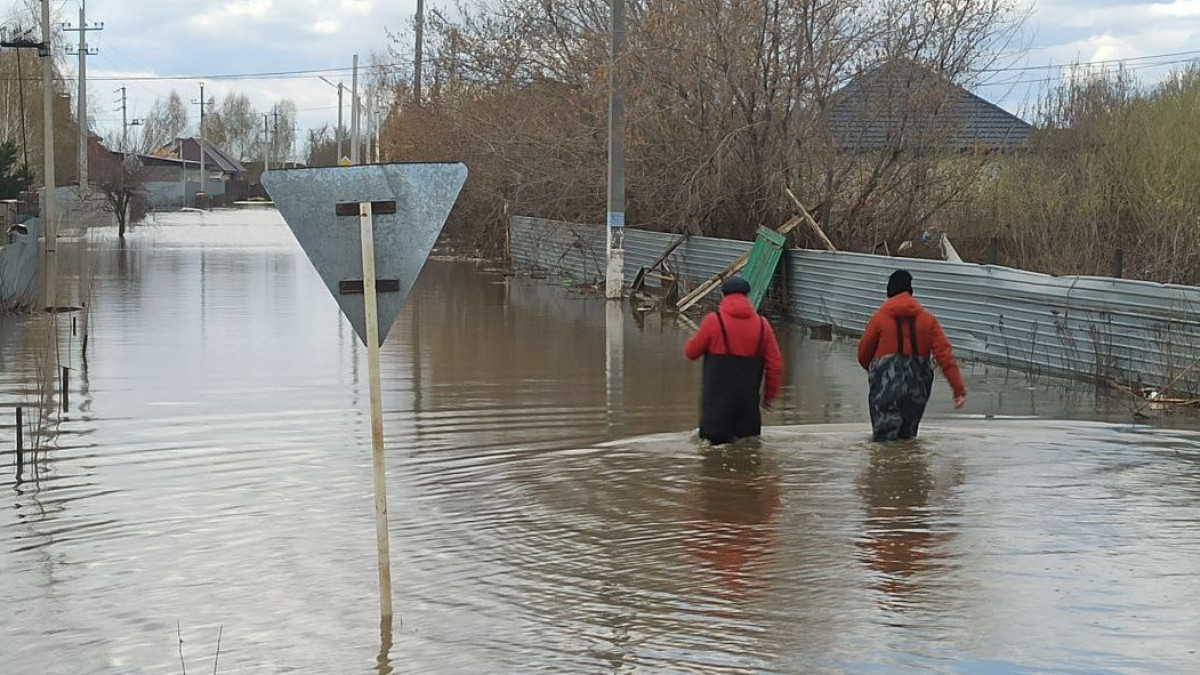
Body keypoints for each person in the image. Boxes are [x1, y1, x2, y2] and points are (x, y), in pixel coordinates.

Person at [857, 270, 966, 442]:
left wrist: (877, 374)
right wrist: (958, 390)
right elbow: (945, 356)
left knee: (884, 444)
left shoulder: (879, 319)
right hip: (917, 389)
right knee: (907, 441)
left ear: (889, 292)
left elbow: (863, 355)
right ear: (911, 291)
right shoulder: (928, 320)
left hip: (886, 390)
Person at [685, 277, 783, 445]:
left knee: (713, 460)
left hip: (716, 414)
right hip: (748, 413)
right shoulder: (762, 325)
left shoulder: (713, 321)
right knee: (749, 453)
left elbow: (691, 353)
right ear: (747, 297)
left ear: (723, 296)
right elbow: (775, 365)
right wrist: (769, 398)